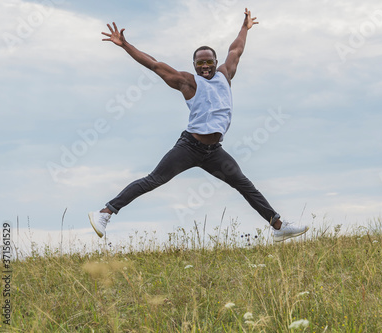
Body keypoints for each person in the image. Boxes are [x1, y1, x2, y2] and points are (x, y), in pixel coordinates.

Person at [88, 8, 308, 242]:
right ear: (194, 64)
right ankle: (105, 213)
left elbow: (237, 49)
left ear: (215, 62)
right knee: (154, 180)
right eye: (200, 63)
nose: (205, 66)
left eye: (209, 62)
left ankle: (278, 226)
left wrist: (245, 27)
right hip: (189, 147)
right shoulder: (188, 82)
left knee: (244, 184)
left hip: (214, 152)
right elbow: (153, 64)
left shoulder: (225, 74)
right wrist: (125, 45)